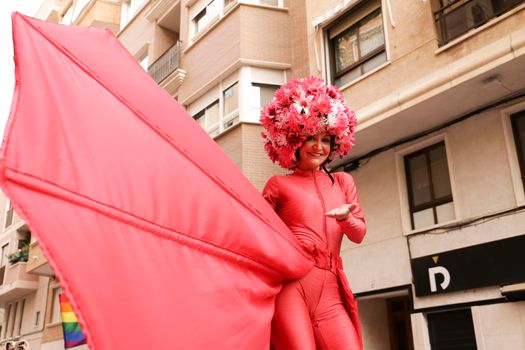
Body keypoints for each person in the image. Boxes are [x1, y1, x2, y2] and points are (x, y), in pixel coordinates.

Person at [260, 77, 366, 350]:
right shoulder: (278, 185)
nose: (319, 146)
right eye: (310, 138)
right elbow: (257, 234)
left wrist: (346, 218)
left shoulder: (343, 182)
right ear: (294, 140)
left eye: (325, 140)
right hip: (292, 288)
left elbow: (358, 235)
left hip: (331, 293)